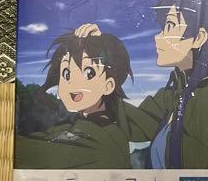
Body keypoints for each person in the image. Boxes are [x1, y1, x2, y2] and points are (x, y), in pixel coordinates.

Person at [76, 0, 208, 169]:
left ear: (199, 37)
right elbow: (136, 124)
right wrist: (103, 51)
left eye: (169, 26)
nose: (158, 37)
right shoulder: (176, 92)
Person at [14, 31, 135, 169]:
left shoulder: (99, 138)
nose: (72, 83)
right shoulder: (84, 125)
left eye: (88, 73)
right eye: (66, 74)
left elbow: (33, 153)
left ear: (108, 86)